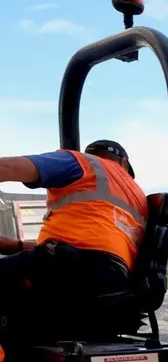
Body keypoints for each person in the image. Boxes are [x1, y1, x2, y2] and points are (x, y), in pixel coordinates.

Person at [0, 140, 147, 350]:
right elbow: (91, 241)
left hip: (72, 272)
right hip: (113, 285)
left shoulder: (84, 163)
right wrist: (16, 245)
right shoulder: (137, 196)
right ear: (124, 163)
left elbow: (8, 168)